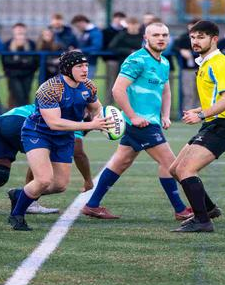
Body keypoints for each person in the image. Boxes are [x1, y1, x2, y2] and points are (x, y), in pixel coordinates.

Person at [81, 22, 192, 221]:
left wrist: (165, 115)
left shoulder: (164, 62)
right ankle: (180, 209)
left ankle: (92, 205)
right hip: (139, 123)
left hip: (149, 122)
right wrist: (132, 116)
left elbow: (166, 90)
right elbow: (117, 90)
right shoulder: (136, 60)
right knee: (170, 163)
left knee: (121, 162)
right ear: (145, 38)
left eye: (165, 35)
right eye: (156, 35)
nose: (161, 38)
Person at [6, 50, 112, 231]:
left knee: (60, 185)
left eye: (86, 65)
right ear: (67, 69)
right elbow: (54, 123)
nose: (85, 69)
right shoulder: (50, 88)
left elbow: (96, 108)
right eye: (80, 66)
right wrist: (90, 125)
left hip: (64, 137)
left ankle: (20, 194)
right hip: (38, 133)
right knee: (43, 179)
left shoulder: (88, 85)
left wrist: (104, 119)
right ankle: (17, 216)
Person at [0, 103, 94, 216]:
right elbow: (78, 153)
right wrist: (88, 180)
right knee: (45, 159)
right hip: (22, 122)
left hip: (1, 121)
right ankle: (27, 199)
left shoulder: (62, 103)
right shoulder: (77, 116)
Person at [170, 20, 225, 233]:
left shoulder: (219, 63)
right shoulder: (205, 62)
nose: (195, 41)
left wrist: (202, 115)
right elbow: (216, 99)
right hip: (214, 123)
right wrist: (198, 110)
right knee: (175, 169)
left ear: (214, 39)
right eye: (193, 37)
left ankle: (202, 221)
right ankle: (209, 209)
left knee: (186, 169)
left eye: (201, 37)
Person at [2, 23, 38, 108]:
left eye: (21, 29)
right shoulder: (8, 43)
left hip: (28, 73)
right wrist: (21, 62)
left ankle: (24, 112)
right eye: (17, 29)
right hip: (13, 74)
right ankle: (19, 112)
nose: (20, 31)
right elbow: (5, 60)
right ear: (13, 31)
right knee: (17, 94)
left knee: (26, 93)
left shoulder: (31, 44)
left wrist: (22, 63)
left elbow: (34, 60)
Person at [173, 21, 200, 114]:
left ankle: (200, 114)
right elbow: (174, 47)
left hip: (201, 69)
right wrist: (181, 50)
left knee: (200, 93)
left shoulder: (204, 37)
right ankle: (188, 113)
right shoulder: (183, 37)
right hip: (187, 69)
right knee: (188, 92)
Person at [102, 11, 127, 104]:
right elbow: (109, 45)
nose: (119, 20)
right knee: (111, 83)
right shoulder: (107, 31)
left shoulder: (126, 31)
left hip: (125, 60)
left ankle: (123, 105)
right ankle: (108, 104)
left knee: (125, 84)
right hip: (112, 59)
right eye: (118, 18)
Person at [73, 15, 103, 79]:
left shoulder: (95, 32)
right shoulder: (84, 33)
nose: (77, 28)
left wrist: (81, 50)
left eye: (78, 26)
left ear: (82, 22)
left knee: (85, 81)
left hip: (90, 62)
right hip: (81, 62)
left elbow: (96, 47)